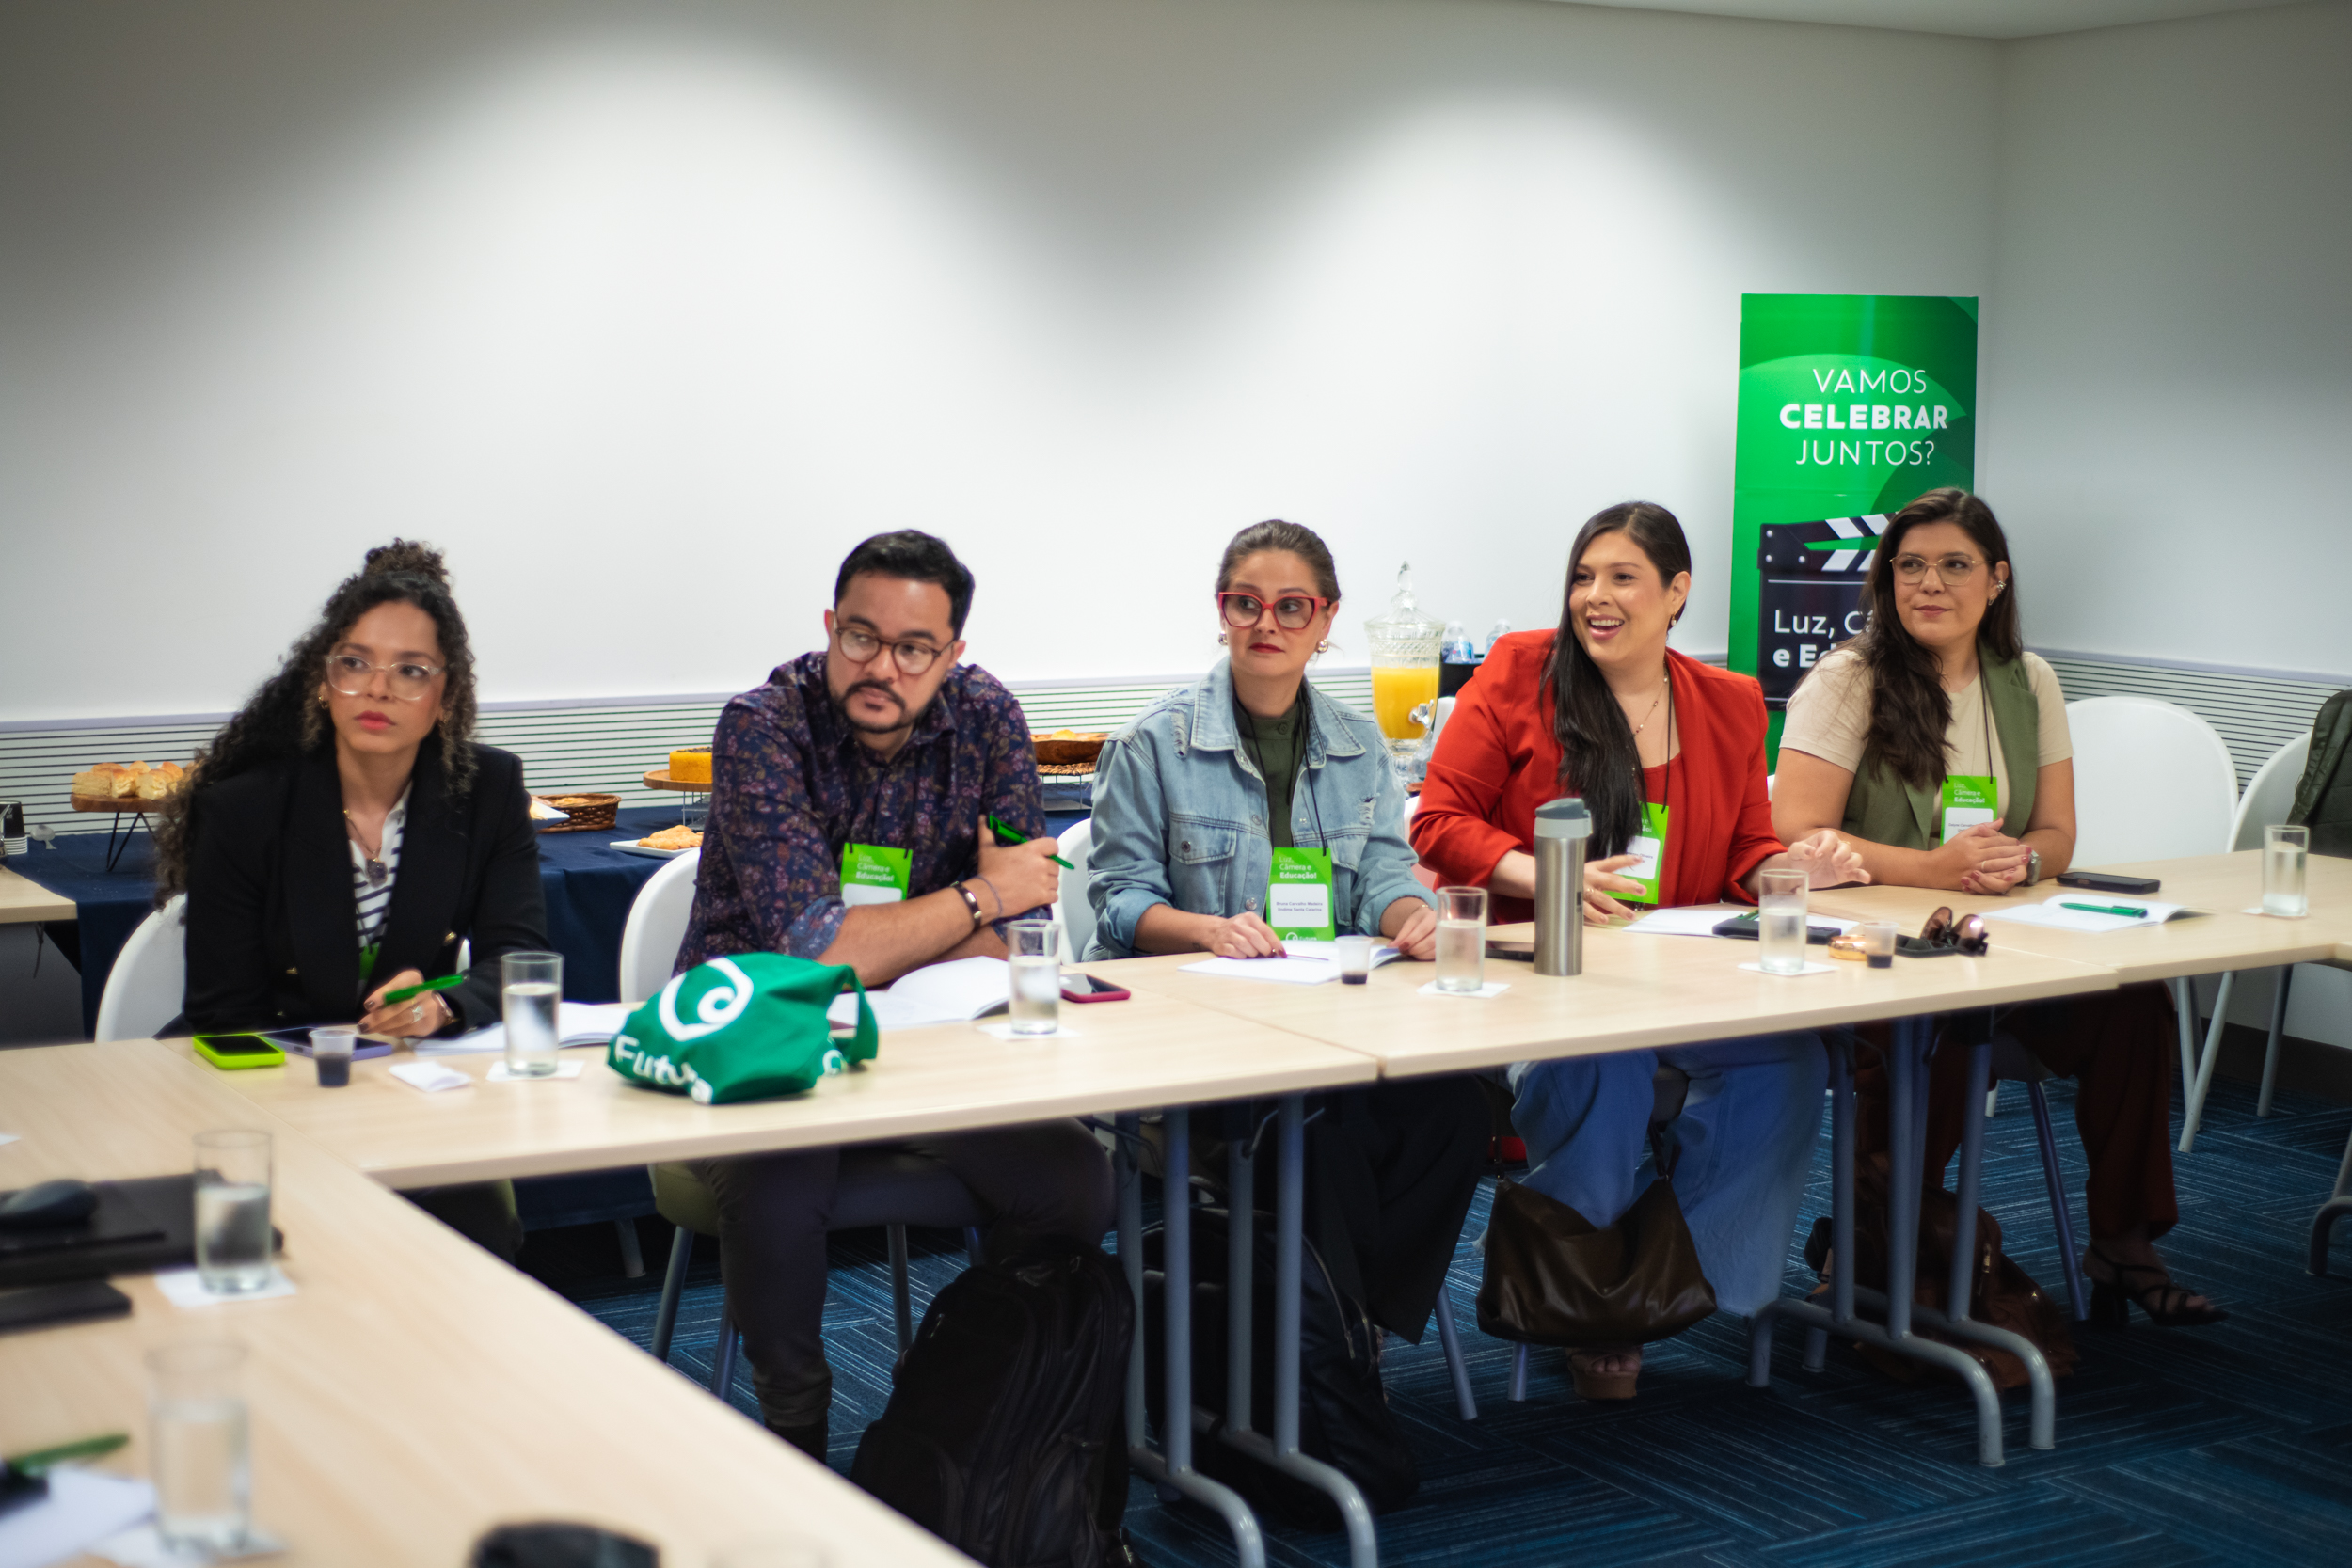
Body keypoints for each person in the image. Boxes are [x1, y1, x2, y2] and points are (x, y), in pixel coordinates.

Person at [1412, 501, 1867, 1400]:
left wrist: (1792, 869)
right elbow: (1438, 821)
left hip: (1680, 979)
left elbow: (1745, 849)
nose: (1596, 596)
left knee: (1790, 1060)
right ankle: (1592, 1296)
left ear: (1676, 592)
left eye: (1623, 577)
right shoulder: (1519, 673)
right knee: (1603, 1063)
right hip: (1547, 975)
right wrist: (1543, 875)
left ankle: (1663, 1277)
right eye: (1584, 576)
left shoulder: (1729, 702)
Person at [676, 529, 1115, 1458]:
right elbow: (820, 948)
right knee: (779, 1186)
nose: (882, 667)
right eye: (861, 637)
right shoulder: (764, 726)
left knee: (1075, 1177)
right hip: (763, 1044)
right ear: (829, 626)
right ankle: (798, 1435)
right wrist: (976, 897)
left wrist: (923, 932)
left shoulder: (988, 717)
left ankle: (970, 1417)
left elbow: (1026, 932)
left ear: (953, 654)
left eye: (915, 648)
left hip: (926, 1049)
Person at [1772, 486, 2221, 1326]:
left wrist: (2025, 860)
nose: (1929, 583)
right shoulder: (1849, 678)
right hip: (1873, 952)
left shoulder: (2028, 679)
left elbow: (2057, 833)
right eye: (1910, 565)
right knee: (1938, 1024)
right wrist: (1934, 869)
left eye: (1955, 565)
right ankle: (1884, 1240)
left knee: (2133, 1004)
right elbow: (1794, 829)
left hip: (2000, 938)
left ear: (1997, 579)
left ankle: (2121, 1242)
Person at [1086, 519, 1488, 1348]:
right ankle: (1334, 1347)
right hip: (1200, 1036)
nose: (1266, 623)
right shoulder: (1151, 743)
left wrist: (1410, 917)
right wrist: (1205, 930)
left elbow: (1382, 876)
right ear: (1222, 612)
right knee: (1323, 1137)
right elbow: (1119, 903)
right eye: (1247, 603)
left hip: (1330, 1020)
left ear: (1326, 618)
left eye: (1292, 606)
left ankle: (1349, 1327)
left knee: (1460, 1104)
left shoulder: (1358, 742)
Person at [159, 540, 546, 1259]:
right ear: (322, 682)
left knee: (478, 1239)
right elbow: (223, 1011)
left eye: (411, 671)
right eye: (355, 663)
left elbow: (521, 957)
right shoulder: (244, 808)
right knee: (303, 1242)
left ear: (446, 698)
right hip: (262, 1087)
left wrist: (442, 1003)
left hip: (406, 1085)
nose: (378, 689)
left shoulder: (488, 788)